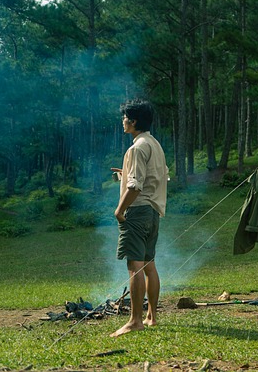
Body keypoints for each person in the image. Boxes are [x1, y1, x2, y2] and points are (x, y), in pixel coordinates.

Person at [110, 98, 168, 337]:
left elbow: (134, 187)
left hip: (137, 210)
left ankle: (135, 321)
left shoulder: (136, 148)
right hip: (153, 212)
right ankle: (152, 316)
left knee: (134, 266)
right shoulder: (153, 144)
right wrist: (125, 176)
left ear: (133, 121)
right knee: (149, 265)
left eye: (125, 118)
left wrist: (119, 210)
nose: (123, 122)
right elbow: (155, 177)